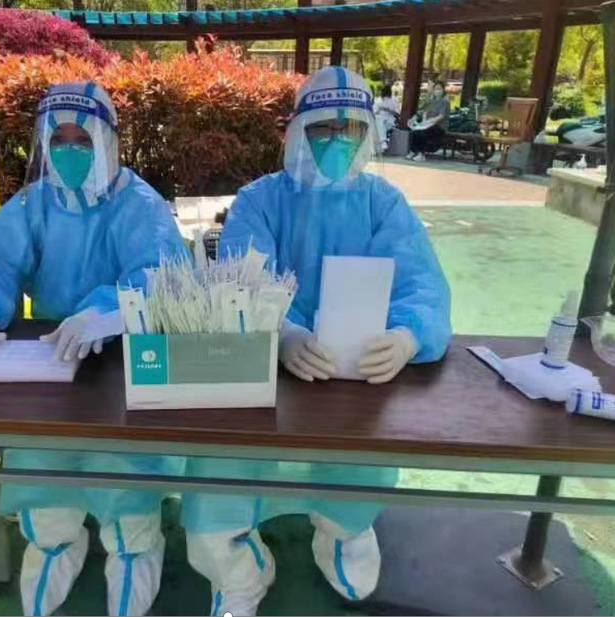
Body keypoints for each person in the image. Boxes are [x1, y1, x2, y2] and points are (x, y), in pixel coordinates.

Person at [182, 66, 451, 616]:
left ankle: (344, 531)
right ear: (296, 130)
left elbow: (421, 282)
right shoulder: (259, 200)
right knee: (223, 466)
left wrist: (407, 335)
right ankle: (236, 570)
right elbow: (240, 278)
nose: (335, 140)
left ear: (368, 133)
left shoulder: (384, 203)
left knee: (355, 457)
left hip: (358, 374)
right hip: (265, 373)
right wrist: (282, 331)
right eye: (322, 127)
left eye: (350, 129)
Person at [0, 81, 187, 617]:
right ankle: (53, 541)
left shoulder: (140, 205)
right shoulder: (33, 204)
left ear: (108, 140)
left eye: (83, 139)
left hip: (125, 360)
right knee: (45, 462)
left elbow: (160, 272)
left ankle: (136, 545)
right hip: (49, 360)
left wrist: (104, 312)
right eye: (60, 140)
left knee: (124, 469)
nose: (71, 151)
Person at [406, 80, 451, 162]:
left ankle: (421, 154)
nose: (437, 91)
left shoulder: (444, 102)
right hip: (428, 124)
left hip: (439, 126)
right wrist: (423, 122)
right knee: (414, 131)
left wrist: (431, 122)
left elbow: (441, 116)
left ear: (443, 90)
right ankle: (413, 151)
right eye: (436, 89)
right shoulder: (431, 101)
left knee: (423, 132)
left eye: (439, 89)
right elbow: (425, 112)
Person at [373, 84, 400, 153]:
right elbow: (374, 112)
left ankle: (382, 143)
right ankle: (383, 142)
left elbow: (397, 114)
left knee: (380, 124)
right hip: (379, 119)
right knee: (379, 122)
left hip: (390, 120)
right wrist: (379, 110)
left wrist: (388, 110)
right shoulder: (378, 100)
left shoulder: (394, 100)